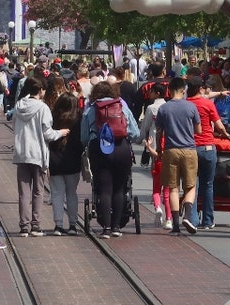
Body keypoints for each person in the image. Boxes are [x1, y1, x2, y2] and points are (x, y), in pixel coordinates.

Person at [81, 81, 141, 238]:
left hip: (100, 149)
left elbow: (84, 137)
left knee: (104, 188)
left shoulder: (91, 109)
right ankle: (116, 227)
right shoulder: (122, 106)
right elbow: (135, 133)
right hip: (121, 148)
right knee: (120, 188)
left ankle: (106, 228)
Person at [12, 77, 69, 236]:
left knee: (24, 192)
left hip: (22, 153)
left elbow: (14, 125)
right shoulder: (43, 108)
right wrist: (61, 133)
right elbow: (48, 134)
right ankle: (35, 225)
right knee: (38, 191)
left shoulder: (18, 106)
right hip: (37, 154)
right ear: (41, 90)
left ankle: (24, 225)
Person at [154, 77, 201, 235]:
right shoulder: (191, 107)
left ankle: (175, 225)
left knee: (173, 188)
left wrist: (159, 151)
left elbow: (159, 132)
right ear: (184, 90)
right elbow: (198, 130)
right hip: (189, 150)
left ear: (169, 90)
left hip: (170, 150)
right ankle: (187, 215)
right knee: (191, 186)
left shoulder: (164, 109)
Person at [186, 76, 229, 230]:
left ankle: (192, 219)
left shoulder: (185, 104)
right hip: (207, 147)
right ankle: (208, 220)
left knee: (192, 185)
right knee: (208, 185)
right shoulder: (207, 104)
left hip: (190, 148)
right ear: (200, 89)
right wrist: (225, 134)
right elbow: (219, 125)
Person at [49, 90, 84, 235]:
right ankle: (73, 225)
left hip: (55, 160)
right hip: (73, 160)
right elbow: (81, 141)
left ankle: (58, 225)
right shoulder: (78, 118)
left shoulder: (53, 116)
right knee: (72, 193)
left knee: (57, 193)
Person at [140, 83, 172, 229]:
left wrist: (142, 140)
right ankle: (169, 218)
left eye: (152, 91)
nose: (150, 94)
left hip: (155, 145)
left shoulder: (151, 108)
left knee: (157, 184)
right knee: (168, 188)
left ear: (157, 93)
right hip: (169, 146)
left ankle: (158, 208)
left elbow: (146, 126)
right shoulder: (169, 107)